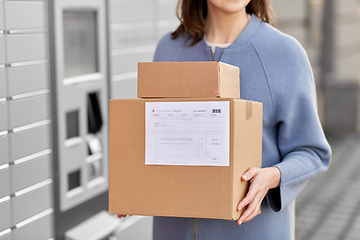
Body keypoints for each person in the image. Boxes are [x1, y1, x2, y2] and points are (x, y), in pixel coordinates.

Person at [120, 0, 332, 239]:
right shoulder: (168, 48)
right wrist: (132, 185)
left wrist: (272, 176)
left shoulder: (284, 53)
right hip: (174, 229)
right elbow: (154, 135)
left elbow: (312, 152)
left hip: (250, 230)